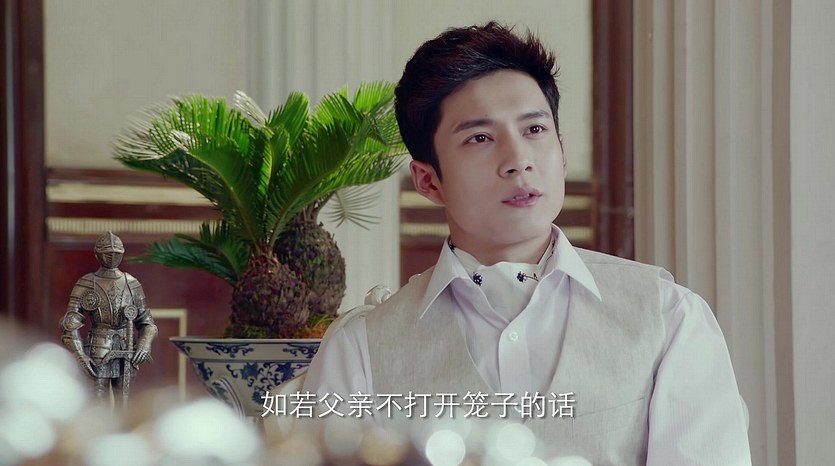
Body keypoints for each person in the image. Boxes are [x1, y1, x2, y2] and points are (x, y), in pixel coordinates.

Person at [301, 22, 751, 465]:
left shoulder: (668, 316)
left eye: (534, 130)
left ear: (561, 150)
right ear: (428, 180)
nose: (518, 161)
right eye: (480, 138)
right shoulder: (362, 349)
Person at [60, 231, 157, 408]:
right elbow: (70, 324)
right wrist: (80, 355)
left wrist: (144, 344)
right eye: (107, 252)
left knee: (125, 404)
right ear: (97, 254)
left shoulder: (132, 283)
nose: (112, 256)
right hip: (97, 348)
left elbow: (147, 322)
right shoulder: (86, 283)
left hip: (127, 350)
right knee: (97, 404)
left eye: (116, 252)